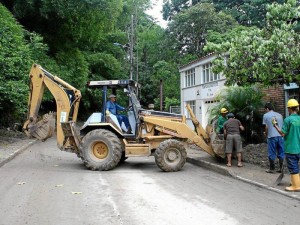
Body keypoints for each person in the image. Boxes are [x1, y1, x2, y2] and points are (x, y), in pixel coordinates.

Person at [273, 99, 300, 191]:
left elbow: (282, 133)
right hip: (299, 147)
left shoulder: (288, 120)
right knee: (297, 165)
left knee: (293, 166)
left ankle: (296, 186)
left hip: (291, 148)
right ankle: (295, 182)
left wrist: (275, 125)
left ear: (289, 109)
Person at [262, 103, 285, 173]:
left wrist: (265, 133)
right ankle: (281, 168)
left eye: (265, 109)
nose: (265, 111)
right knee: (281, 152)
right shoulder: (280, 115)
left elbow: (266, 127)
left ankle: (272, 169)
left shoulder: (266, 115)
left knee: (272, 152)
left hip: (272, 136)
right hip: (281, 136)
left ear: (267, 109)